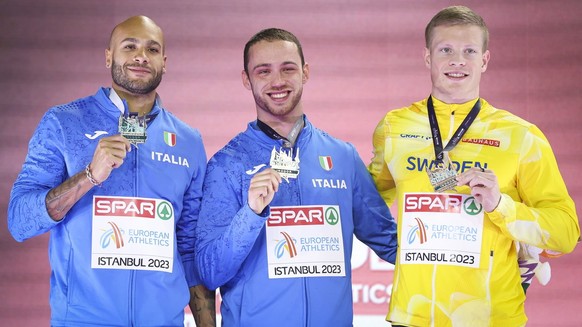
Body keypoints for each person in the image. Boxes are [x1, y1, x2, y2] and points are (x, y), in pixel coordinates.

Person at [368, 5, 580, 327]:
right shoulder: (394, 127)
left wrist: (500, 206)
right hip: (412, 316)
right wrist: (403, 255)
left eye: (469, 50)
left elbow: (565, 231)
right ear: (428, 57)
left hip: (491, 317)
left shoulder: (520, 136)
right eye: (446, 50)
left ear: (484, 60)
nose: (457, 60)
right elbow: (368, 205)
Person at [7, 15, 215, 327]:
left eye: (152, 49)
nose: (141, 56)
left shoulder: (188, 140)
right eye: (129, 46)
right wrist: (88, 176)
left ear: (165, 61)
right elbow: (19, 222)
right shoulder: (63, 123)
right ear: (108, 56)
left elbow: (188, 247)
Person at [194, 28, 398, 327]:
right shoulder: (227, 164)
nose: (277, 81)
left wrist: (469, 238)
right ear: (246, 79)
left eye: (288, 69)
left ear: (305, 72)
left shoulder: (343, 157)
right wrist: (251, 214)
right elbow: (210, 270)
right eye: (263, 71)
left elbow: (390, 242)